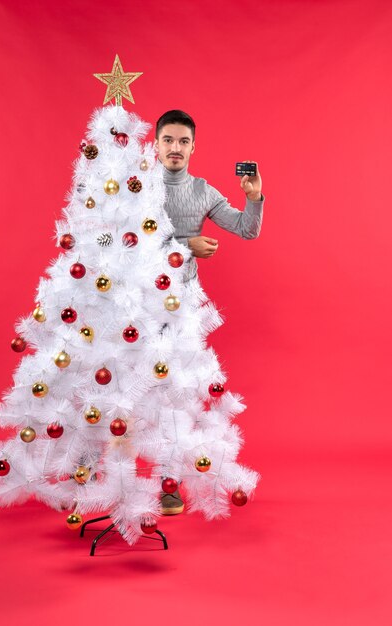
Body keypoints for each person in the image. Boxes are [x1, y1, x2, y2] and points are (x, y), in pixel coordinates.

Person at [154, 110, 265, 515]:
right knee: (121, 390)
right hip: (133, 306)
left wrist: (253, 198)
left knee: (175, 396)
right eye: (168, 140)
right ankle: (93, 474)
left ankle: (169, 483)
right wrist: (185, 248)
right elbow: (123, 242)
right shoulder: (139, 188)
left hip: (181, 308)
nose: (175, 148)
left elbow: (247, 230)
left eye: (183, 141)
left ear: (194, 147)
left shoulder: (202, 191)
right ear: (156, 143)